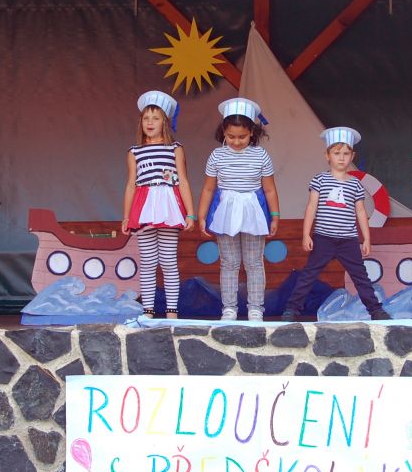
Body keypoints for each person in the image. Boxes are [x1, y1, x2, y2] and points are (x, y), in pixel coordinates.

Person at [282, 127, 391, 322]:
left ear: (352, 156)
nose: (341, 158)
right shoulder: (320, 180)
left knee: (360, 276)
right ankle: (292, 309)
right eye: (336, 153)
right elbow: (311, 207)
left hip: (348, 240)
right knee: (309, 274)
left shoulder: (355, 184)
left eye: (346, 154)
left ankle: (376, 310)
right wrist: (306, 234)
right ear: (327, 155)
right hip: (323, 237)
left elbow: (361, 212)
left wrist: (366, 238)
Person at [197, 98, 280, 322]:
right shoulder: (217, 155)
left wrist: (274, 216)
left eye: (242, 137)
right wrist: (201, 216)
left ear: (252, 132)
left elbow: (269, 189)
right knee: (229, 262)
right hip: (226, 212)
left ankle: (256, 308)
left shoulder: (261, 155)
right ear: (223, 131)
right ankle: (229, 309)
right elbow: (208, 188)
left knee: (254, 262)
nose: (236, 141)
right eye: (231, 136)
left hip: (253, 212)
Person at [122, 90, 196, 319]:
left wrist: (190, 213)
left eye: (155, 118)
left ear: (165, 121)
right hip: (143, 207)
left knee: (168, 261)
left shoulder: (175, 148)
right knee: (147, 262)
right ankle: (148, 310)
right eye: (146, 118)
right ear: (141, 122)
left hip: (168, 207)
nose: (150, 122)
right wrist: (126, 216)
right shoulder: (134, 151)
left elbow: (182, 181)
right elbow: (131, 185)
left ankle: (172, 311)